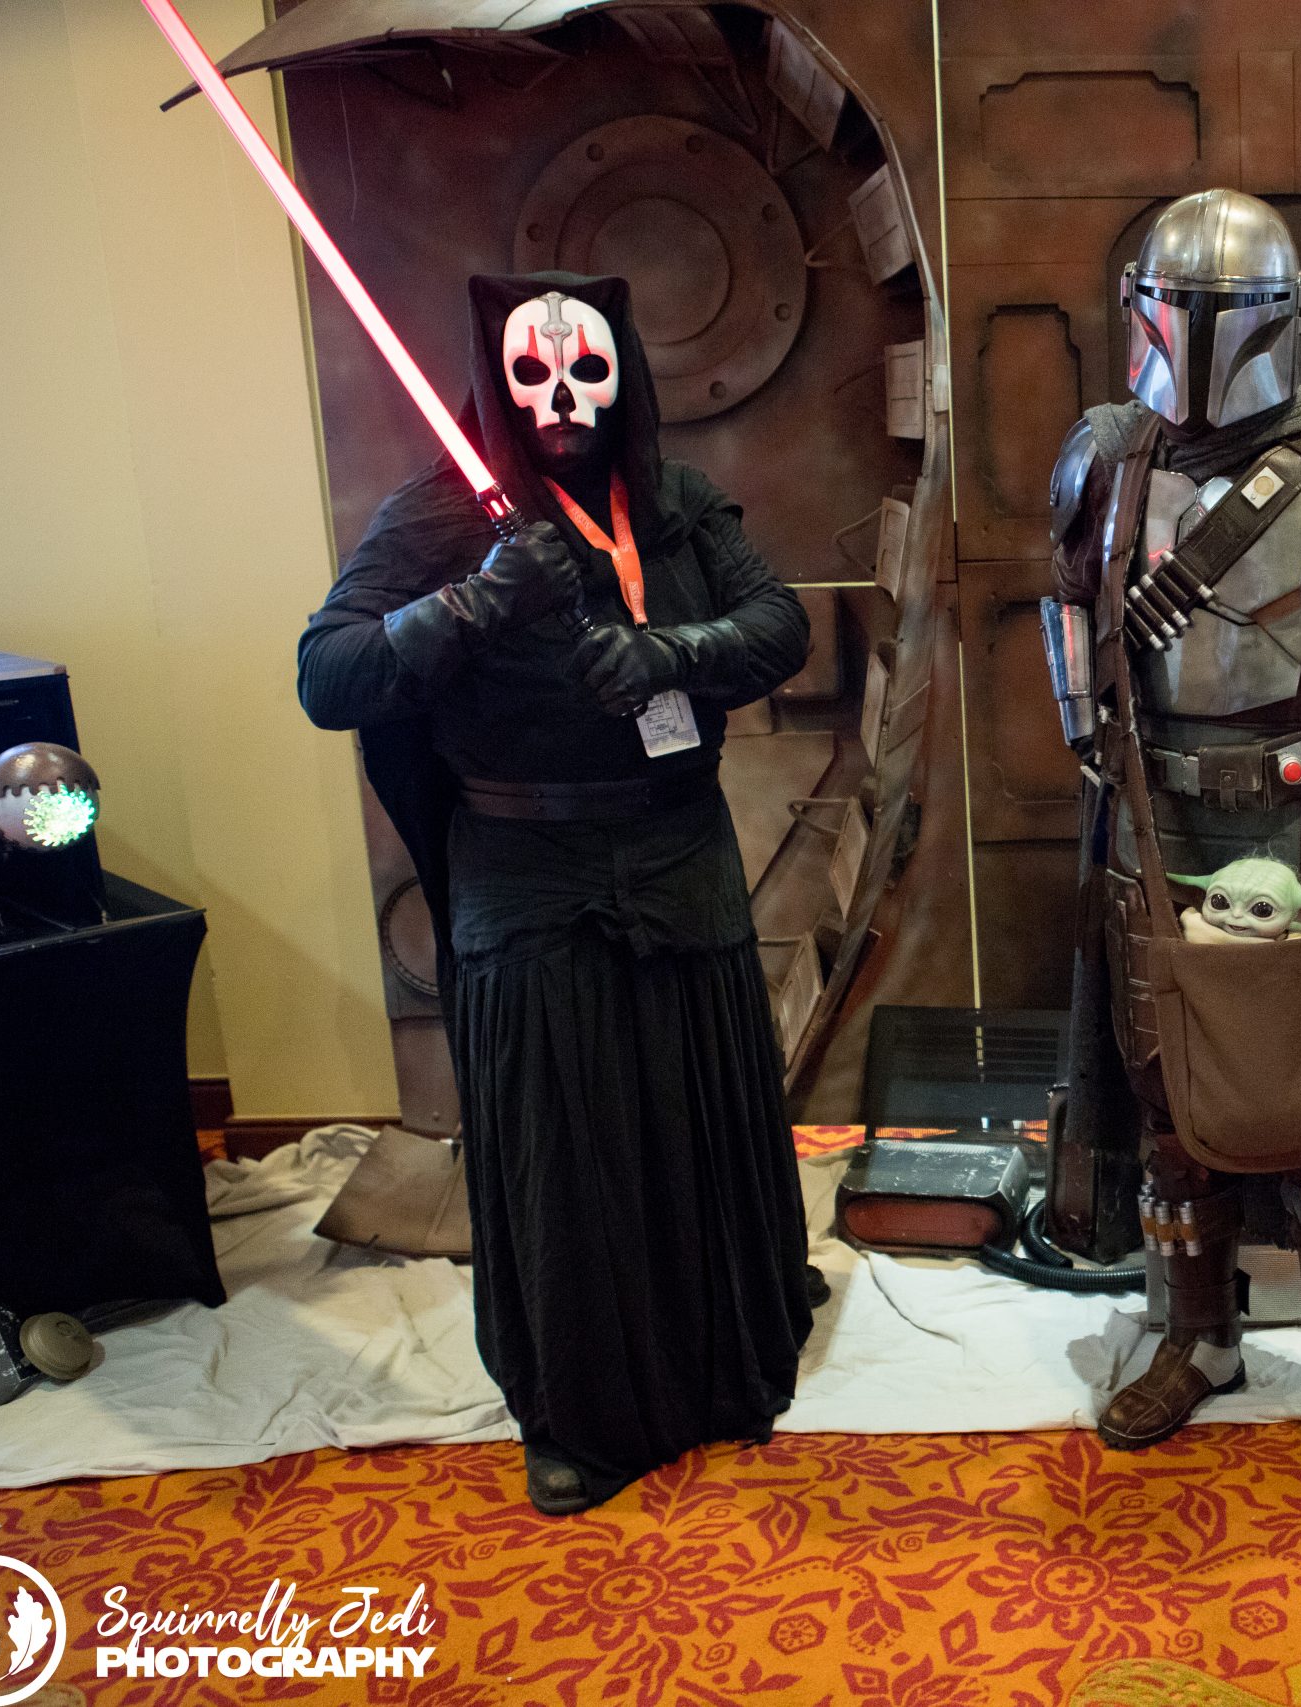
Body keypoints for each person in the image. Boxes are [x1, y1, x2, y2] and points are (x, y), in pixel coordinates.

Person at [296, 271, 817, 1515]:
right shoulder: (439, 516)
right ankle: (576, 1409)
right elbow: (330, 674)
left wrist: (663, 653)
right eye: (532, 373)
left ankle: (726, 1361)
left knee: (698, 1113)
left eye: (587, 369)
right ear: (493, 382)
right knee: (561, 1147)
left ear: (624, 371)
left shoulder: (676, 504)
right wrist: (473, 603)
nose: (562, 398)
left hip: (676, 849)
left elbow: (778, 625)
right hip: (525, 873)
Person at [1040, 190, 1301, 1536]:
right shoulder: (1105, 462)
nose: (1198, 334)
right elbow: (1066, 604)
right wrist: (1091, 745)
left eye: (1227, 310)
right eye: (1179, 305)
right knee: (1176, 1117)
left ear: (1286, 319)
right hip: (1158, 835)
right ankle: (1197, 1335)